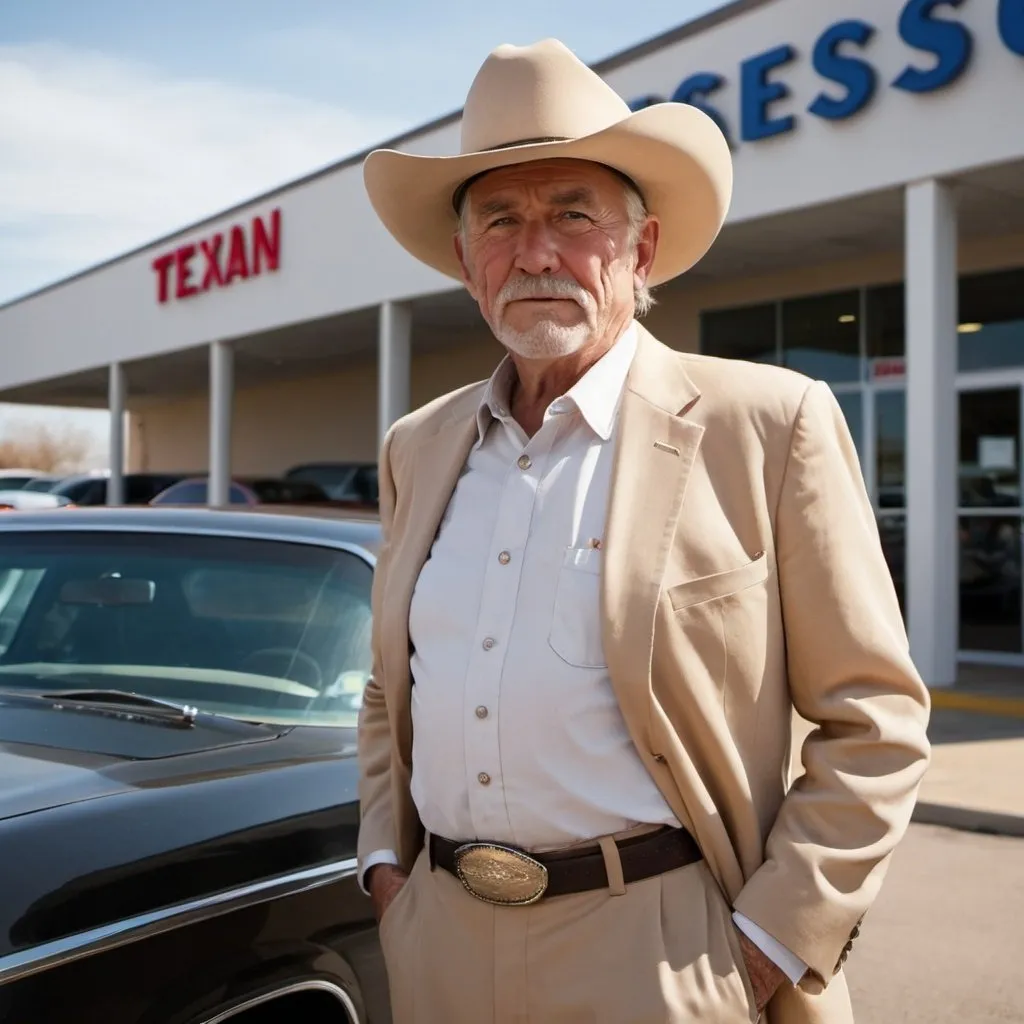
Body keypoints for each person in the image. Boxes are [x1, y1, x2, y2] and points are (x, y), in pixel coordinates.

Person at [356, 38, 931, 1024]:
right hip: (439, 936)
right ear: (464, 259)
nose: (536, 251)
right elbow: (386, 688)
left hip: (664, 952)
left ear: (642, 248)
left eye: (573, 215)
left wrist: (765, 945)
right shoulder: (420, 444)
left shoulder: (766, 422)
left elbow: (873, 718)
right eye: (501, 219)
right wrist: (384, 869)